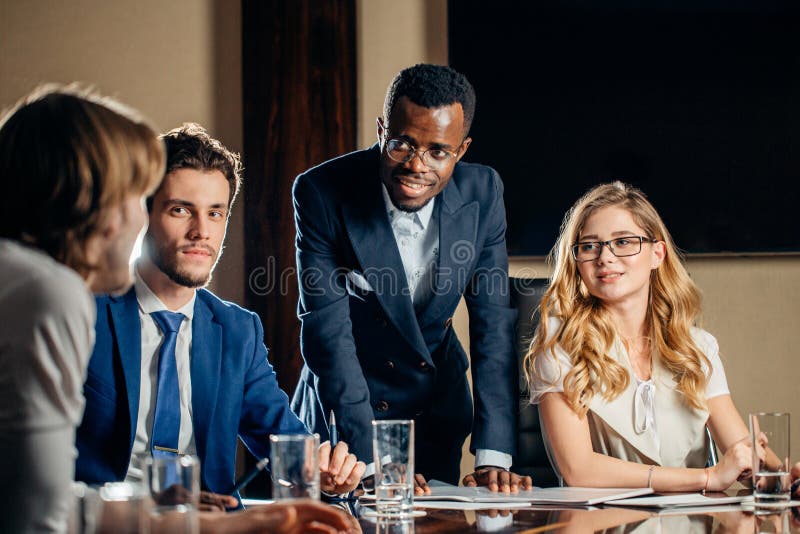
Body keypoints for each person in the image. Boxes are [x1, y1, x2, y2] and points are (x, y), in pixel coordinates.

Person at [75, 123, 365, 503]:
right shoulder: (85, 313)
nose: (202, 232)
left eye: (216, 214)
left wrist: (325, 471)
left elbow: (284, 444)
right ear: (142, 214)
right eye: (181, 210)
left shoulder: (238, 330)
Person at [291, 63, 531, 491]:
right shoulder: (322, 191)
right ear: (382, 130)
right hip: (347, 416)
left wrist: (494, 452)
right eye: (402, 144)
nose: (416, 166)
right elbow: (327, 332)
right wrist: (365, 461)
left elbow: (493, 323)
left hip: (435, 409)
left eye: (439, 151)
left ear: (461, 150)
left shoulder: (484, 192)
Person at [524, 181, 760, 491]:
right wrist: (707, 478)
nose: (604, 257)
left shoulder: (697, 347)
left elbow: (741, 450)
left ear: (657, 254)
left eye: (623, 242)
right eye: (590, 246)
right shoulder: (558, 346)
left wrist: (777, 472)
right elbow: (579, 470)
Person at [0, 85, 164, 532]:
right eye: (138, 197)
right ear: (100, 207)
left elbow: (44, 498)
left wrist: (225, 526)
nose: (143, 218)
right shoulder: (47, 292)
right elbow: (37, 523)